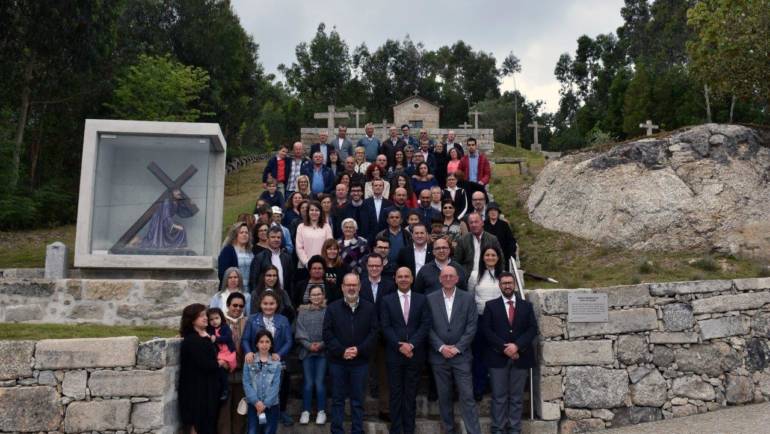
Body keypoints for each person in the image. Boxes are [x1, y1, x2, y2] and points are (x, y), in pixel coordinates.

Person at [481, 272, 538, 434]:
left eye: (510, 283)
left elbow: (532, 329)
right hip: (497, 358)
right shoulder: (491, 306)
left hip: (521, 357)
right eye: (504, 283)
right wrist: (505, 348)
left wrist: (517, 346)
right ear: (499, 285)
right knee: (499, 397)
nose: (507, 286)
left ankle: (514, 429)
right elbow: (486, 330)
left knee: (517, 398)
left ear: (514, 284)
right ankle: (498, 429)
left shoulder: (526, 306)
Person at [426, 266, 481, 434]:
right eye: (445, 276)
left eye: (451, 276)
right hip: (439, 357)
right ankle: (448, 430)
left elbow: (472, 326)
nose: (448, 278)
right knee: (444, 398)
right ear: (440, 279)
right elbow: (427, 326)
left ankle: (473, 431)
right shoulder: (430, 299)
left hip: (461, 357)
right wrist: (441, 347)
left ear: (457, 279)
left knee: (467, 397)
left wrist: (457, 348)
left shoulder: (468, 298)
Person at [323, 273, 379, 434]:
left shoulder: (370, 308)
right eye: (348, 285)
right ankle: (337, 430)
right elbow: (327, 333)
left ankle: (357, 430)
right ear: (342, 287)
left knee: (358, 400)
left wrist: (359, 349)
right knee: (338, 400)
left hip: (360, 362)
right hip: (337, 361)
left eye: (354, 285)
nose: (351, 288)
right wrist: (342, 351)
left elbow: (374, 332)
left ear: (360, 287)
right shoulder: (333, 308)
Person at [379, 267, 432, 434]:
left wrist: (411, 345)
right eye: (399, 276)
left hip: (415, 354)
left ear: (412, 279)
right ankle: (396, 430)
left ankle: (409, 430)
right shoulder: (387, 300)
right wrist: (400, 345)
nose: (403, 279)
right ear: (395, 279)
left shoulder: (422, 299)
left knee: (410, 394)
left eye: (406, 276)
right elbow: (385, 326)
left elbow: (425, 325)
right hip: (394, 354)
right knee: (395, 394)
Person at [242, 292, 294, 427]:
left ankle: (276, 414)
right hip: (257, 360)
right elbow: (245, 339)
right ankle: (257, 414)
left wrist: (280, 354)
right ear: (260, 304)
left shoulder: (283, 320)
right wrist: (248, 352)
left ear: (277, 305)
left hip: (276, 361)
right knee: (257, 387)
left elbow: (289, 341)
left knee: (276, 388)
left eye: (272, 304)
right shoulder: (253, 319)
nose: (268, 306)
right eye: (265, 303)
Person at [179, 303, 225, 434]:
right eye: (201, 316)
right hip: (196, 391)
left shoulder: (204, 337)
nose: (205, 318)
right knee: (199, 425)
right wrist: (220, 363)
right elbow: (206, 364)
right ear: (192, 320)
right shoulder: (193, 340)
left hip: (207, 388)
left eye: (205, 315)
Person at [467, 246, 505, 401]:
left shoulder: (503, 275)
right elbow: (470, 297)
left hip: (499, 320)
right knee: (479, 355)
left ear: (498, 257)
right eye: (487, 255)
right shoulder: (475, 275)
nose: (490, 257)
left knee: (497, 353)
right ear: (483, 257)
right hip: (480, 319)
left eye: (493, 255)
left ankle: (497, 388)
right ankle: (479, 387)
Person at [295, 285, 328, 426]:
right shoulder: (302, 312)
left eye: (318, 294)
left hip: (323, 352)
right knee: (308, 383)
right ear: (309, 296)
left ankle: (321, 411)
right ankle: (306, 411)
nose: (316, 297)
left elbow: (330, 330)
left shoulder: (328, 312)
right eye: (313, 295)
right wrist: (309, 345)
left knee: (319, 382)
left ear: (323, 296)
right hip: (306, 352)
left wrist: (320, 344)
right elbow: (299, 331)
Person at [218, 292, 249, 434]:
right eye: (234, 305)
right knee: (224, 410)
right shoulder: (220, 322)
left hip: (243, 372)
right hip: (224, 372)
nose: (237, 308)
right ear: (228, 305)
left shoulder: (248, 322)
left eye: (241, 306)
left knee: (240, 409)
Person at [242, 329, 282, 434]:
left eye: (267, 341)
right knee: (253, 431)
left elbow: (276, 385)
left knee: (269, 431)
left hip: (271, 405)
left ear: (271, 344)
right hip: (254, 405)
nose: (264, 345)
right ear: (256, 344)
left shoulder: (276, 363)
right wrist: (256, 402)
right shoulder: (249, 361)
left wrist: (266, 403)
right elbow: (246, 382)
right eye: (261, 341)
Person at [454, 212, 502, 278]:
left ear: (482, 223)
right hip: (468, 277)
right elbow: (457, 262)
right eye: (471, 222)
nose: (473, 225)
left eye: (476, 222)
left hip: (488, 276)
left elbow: (501, 259)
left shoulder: (492, 239)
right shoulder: (462, 240)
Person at [249, 226, 292, 296]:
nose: (276, 239)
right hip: (264, 299)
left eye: (278, 237)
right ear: (267, 239)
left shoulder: (287, 258)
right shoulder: (259, 258)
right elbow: (253, 281)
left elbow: (291, 282)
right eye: (273, 237)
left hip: (282, 298)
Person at [207, 307, 237, 401]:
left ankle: (225, 389)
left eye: (216, 318)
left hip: (228, 352)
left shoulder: (225, 327)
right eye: (211, 319)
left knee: (220, 367)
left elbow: (228, 338)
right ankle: (222, 389)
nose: (214, 321)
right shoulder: (210, 330)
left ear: (221, 318)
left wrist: (216, 338)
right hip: (220, 353)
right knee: (219, 370)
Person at [295, 201, 333, 269]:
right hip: (304, 266)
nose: (314, 212)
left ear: (320, 212)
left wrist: (322, 263)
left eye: (317, 210)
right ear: (308, 212)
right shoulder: (301, 227)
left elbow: (329, 246)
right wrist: (307, 263)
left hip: (322, 266)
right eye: (312, 210)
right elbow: (299, 247)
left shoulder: (326, 227)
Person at [218, 223, 254, 288]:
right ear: (235, 235)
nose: (244, 235)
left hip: (248, 289)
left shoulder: (251, 251)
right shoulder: (228, 251)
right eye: (241, 232)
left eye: (246, 232)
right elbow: (222, 273)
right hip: (233, 289)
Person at [485, 202, 517, 268]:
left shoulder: (504, 225)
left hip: (503, 256)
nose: (493, 212)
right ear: (488, 213)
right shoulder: (484, 224)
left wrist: (511, 254)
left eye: (495, 210)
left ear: (498, 212)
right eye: (491, 210)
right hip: (488, 256)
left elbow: (511, 240)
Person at [360, 179, 392, 243]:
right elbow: (363, 221)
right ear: (372, 187)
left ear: (383, 188)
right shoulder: (365, 202)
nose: (378, 187)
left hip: (384, 235)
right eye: (376, 185)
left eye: (380, 185)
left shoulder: (389, 203)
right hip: (369, 235)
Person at [321, 238, 346, 303]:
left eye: (335, 249)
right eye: (329, 249)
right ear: (325, 250)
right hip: (322, 302)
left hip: (339, 301)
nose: (332, 251)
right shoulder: (320, 266)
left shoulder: (343, 266)